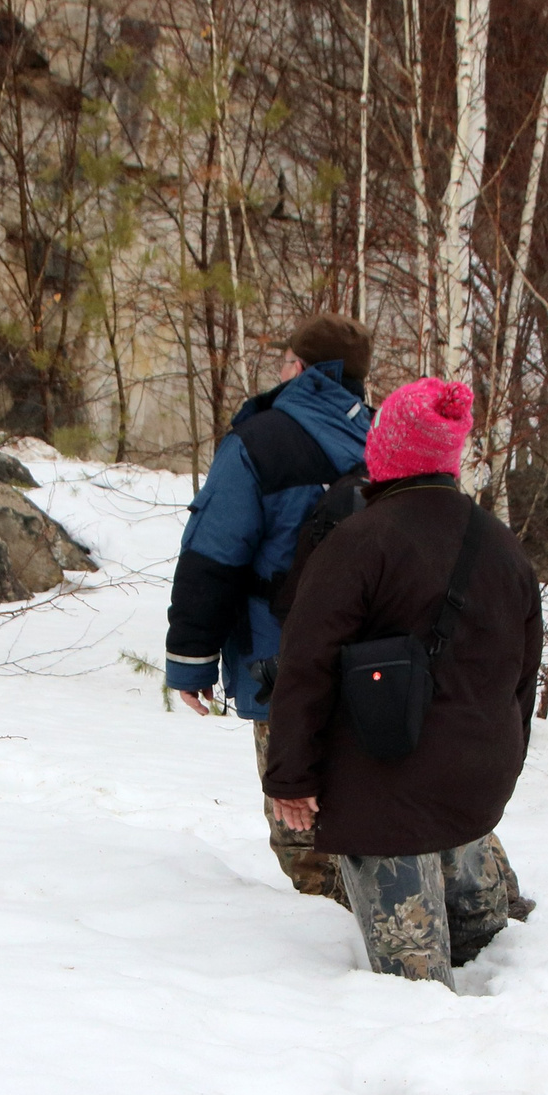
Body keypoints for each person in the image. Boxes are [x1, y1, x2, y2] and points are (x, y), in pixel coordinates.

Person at [262, 378, 541, 982]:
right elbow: (522, 677)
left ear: (386, 451)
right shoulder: (501, 544)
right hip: (474, 790)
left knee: (415, 990)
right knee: (499, 967)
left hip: (385, 795)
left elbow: (306, 666)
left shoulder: (358, 542)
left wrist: (290, 777)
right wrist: (500, 768)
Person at [164, 315, 376, 903]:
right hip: (383, 663)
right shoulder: (386, 439)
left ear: (302, 370)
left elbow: (212, 555)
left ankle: (332, 942)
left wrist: (190, 661)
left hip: (282, 662)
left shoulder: (260, 441)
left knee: (298, 819)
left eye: (284, 360)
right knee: (384, 794)